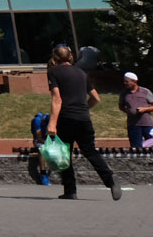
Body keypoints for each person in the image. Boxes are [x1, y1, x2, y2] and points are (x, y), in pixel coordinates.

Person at [47, 43, 120, 200]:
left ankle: (70, 190)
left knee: (65, 153)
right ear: (71, 57)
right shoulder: (81, 73)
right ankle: (110, 180)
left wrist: (52, 123)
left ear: (55, 58)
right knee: (90, 151)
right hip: (83, 118)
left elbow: (56, 99)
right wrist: (84, 108)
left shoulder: (54, 72)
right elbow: (96, 98)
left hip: (65, 117)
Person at [119, 71, 152, 150]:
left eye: (127, 81)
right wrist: (129, 111)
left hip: (147, 124)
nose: (125, 83)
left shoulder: (145, 91)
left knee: (151, 145)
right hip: (133, 124)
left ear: (134, 81)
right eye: (124, 81)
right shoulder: (124, 93)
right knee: (136, 148)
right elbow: (121, 106)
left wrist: (145, 109)